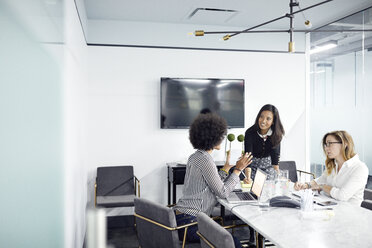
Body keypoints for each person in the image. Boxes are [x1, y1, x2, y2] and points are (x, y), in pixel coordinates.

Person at [174, 113, 252, 246]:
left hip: (182, 217)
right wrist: (238, 170)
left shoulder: (196, 156)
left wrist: (227, 167)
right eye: (220, 135)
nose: (222, 138)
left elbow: (211, 184)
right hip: (189, 223)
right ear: (212, 137)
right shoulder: (206, 160)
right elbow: (222, 192)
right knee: (233, 242)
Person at [294, 130, 369, 206]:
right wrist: (305, 185)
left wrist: (323, 187)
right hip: (329, 208)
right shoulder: (333, 165)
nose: (326, 148)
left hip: (349, 213)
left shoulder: (360, 168)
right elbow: (321, 180)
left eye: (330, 144)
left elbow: (342, 196)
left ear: (344, 144)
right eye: (325, 145)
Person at [243, 104, 285, 183]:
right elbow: (248, 157)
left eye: (268, 119)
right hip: (252, 167)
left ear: (273, 121)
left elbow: (275, 161)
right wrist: (248, 177)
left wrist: (280, 177)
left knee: (272, 186)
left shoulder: (276, 135)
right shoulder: (250, 133)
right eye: (261, 116)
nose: (263, 121)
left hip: (268, 169)